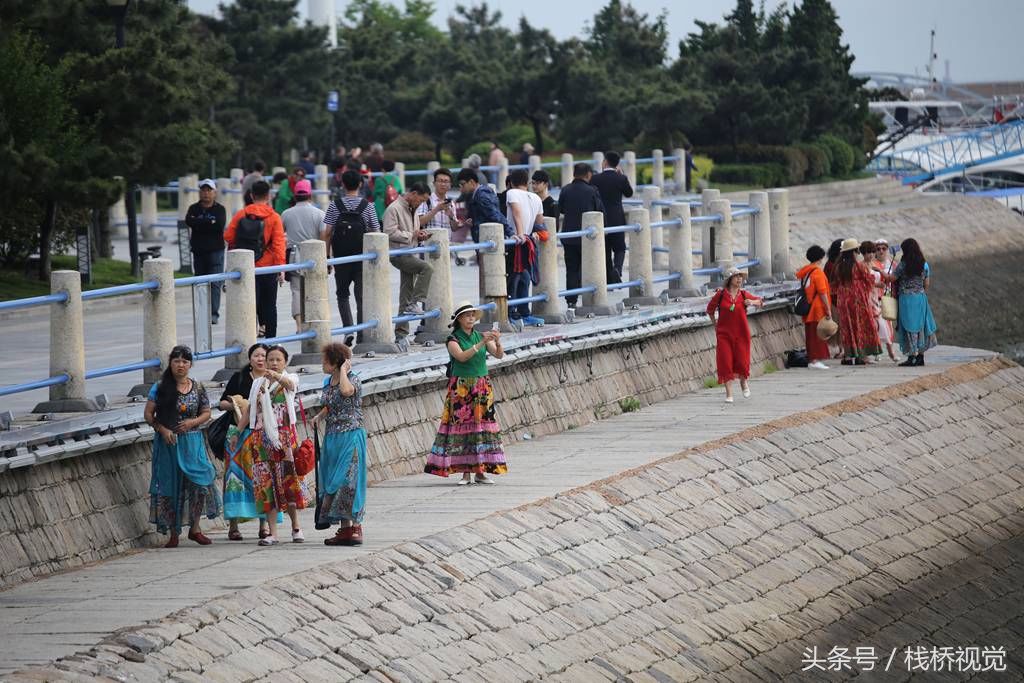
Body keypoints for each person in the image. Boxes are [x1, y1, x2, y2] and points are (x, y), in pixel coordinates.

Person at [143, 345, 221, 547]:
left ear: (190, 364)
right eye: (177, 361)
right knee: (171, 486)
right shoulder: (160, 388)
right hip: (169, 443)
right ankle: (173, 532)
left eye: (185, 361)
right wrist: (163, 430)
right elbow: (148, 415)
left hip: (193, 442)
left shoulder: (198, 387)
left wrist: (192, 423)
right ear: (170, 363)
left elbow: (206, 412)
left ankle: (195, 528)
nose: (181, 365)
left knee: (202, 483)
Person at [425, 302, 508, 485]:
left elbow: (499, 355)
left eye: (473, 315)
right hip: (461, 387)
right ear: (459, 319)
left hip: (481, 386)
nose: (471, 318)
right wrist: (482, 343)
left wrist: (498, 341)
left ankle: (480, 471)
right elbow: (462, 356)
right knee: (463, 429)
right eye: (467, 315)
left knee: (481, 428)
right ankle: (465, 473)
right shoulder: (453, 339)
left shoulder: (481, 336)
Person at [218, 343, 280, 541]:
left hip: (261, 434)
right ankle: (233, 526)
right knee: (235, 480)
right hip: (239, 434)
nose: (261, 359)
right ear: (250, 359)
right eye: (257, 356)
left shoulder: (274, 380)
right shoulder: (240, 378)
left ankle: (264, 525)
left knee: (262, 479)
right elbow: (221, 403)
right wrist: (237, 403)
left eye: (264, 356)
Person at [249, 345, 307, 546]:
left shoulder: (290, 379)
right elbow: (252, 410)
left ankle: (296, 527)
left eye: (277, 360)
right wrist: (239, 432)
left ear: (285, 362)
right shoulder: (258, 384)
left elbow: (291, 385)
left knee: (288, 482)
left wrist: (276, 376)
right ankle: (272, 532)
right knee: (266, 485)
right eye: (270, 359)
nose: (273, 363)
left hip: (284, 439)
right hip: (261, 439)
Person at [310, 342, 366, 546]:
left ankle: (353, 525)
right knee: (333, 479)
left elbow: (347, 391)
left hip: (351, 434)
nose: (322, 365)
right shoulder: (327, 381)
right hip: (333, 435)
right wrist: (320, 415)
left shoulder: (352, 379)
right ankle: (345, 528)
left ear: (335, 363)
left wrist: (343, 371)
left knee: (347, 479)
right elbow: (330, 403)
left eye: (326, 361)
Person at [322, 169, 381, 346]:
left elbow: (327, 233)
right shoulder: (367, 206)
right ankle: (363, 334)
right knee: (361, 296)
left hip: (341, 259)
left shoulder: (335, 205)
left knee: (342, 294)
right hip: (362, 258)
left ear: (343, 185)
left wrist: (327, 257)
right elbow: (376, 232)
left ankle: (348, 330)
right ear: (361, 184)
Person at [225, 180, 286, 339]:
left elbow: (228, 236)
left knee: (250, 305)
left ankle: (250, 339)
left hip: (247, 268)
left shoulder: (241, 214)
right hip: (268, 267)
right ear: (269, 196)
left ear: (251, 195)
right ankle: (271, 340)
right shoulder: (274, 217)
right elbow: (279, 243)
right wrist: (281, 268)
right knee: (270, 305)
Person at [383, 183, 433, 343]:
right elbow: (389, 232)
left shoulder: (414, 208)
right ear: (413, 193)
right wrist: (412, 235)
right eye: (421, 200)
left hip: (409, 252)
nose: (421, 204)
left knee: (405, 294)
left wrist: (420, 235)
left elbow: (414, 233)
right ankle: (415, 302)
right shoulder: (394, 208)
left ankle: (401, 334)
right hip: (398, 254)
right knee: (426, 268)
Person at [706, 269, 764, 403]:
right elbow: (710, 310)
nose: (739, 279)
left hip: (741, 334)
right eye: (736, 276)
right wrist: (715, 324)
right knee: (725, 362)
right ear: (729, 279)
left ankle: (743, 383)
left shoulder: (744, 295)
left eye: (740, 277)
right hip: (724, 335)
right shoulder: (720, 295)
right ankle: (729, 394)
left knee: (742, 361)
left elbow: (760, 302)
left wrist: (752, 302)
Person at [558, 163, 605, 308]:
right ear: (588, 174)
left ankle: (571, 301)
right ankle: (591, 298)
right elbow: (600, 211)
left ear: (574, 174)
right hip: (587, 237)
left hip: (569, 235)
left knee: (571, 269)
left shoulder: (565, 190)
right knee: (589, 268)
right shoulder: (592, 191)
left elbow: (561, 209)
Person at [281, 179, 325, 334]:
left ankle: (299, 326)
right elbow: (323, 236)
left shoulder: (286, 214)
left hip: (294, 256)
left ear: (295, 195)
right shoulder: (319, 214)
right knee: (314, 290)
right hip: (314, 256)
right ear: (310, 195)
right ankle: (313, 323)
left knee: (296, 291)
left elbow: (280, 236)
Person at [505, 169, 545, 326]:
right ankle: (524, 313)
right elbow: (539, 221)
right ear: (527, 182)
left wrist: (520, 234)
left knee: (513, 277)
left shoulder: (512, 193)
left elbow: (516, 212)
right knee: (525, 277)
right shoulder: (536, 197)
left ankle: (512, 314)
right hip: (528, 240)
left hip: (516, 240)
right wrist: (531, 234)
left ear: (511, 183)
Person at [184, 179, 227, 324]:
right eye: (203, 190)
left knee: (215, 283)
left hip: (216, 251)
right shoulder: (193, 208)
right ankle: (202, 313)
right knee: (200, 283)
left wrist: (200, 222)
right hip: (199, 251)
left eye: (209, 190)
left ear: (214, 193)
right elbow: (189, 221)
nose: (206, 193)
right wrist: (209, 222)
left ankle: (213, 314)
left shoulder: (220, 209)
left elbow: (219, 225)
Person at [833, 238, 882, 365]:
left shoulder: (838, 267)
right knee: (860, 326)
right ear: (854, 252)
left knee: (847, 327)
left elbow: (836, 284)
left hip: (843, 300)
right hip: (857, 300)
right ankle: (861, 356)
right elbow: (868, 279)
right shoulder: (858, 266)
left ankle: (848, 357)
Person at [890, 238, 937, 366]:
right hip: (920, 298)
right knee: (921, 326)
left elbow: (892, 278)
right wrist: (920, 293)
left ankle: (912, 356)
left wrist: (881, 273)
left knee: (908, 327)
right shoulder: (924, 264)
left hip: (906, 299)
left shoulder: (903, 264)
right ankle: (921, 356)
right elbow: (926, 284)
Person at [589, 151, 633, 282]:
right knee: (620, 247)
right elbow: (629, 193)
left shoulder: (595, 179)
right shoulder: (621, 178)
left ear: (605, 162)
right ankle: (618, 269)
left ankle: (608, 278)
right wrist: (623, 175)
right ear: (617, 164)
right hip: (617, 217)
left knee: (606, 249)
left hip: (601, 217)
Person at [795, 245, 833, 370]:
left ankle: (812, 359)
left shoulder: (805, 271)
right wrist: (828, 310)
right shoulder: (817, 273)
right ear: (820, 258)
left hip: (808, 307)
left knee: (811, 335)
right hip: (817, 308)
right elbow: (822, 293)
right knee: (817, 335)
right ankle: (814, 360)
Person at [456, 168, 514, 243]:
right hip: (486, 239)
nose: (461, 189)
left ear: (471, 182)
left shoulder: (482, 196)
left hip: (489, 241)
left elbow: (496, 215)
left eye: (463, 184)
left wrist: (511, 233)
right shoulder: (477, 194)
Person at [869, 239, 899, 363]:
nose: (881, 251)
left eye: (883, 248)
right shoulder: (871, 264)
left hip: (888, 297)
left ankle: (886, 349)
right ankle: (883, 351)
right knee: (877, 325)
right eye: (878, 248)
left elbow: (896, 279)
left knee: (888, 325)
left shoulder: (893, 264)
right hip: (875, 298)